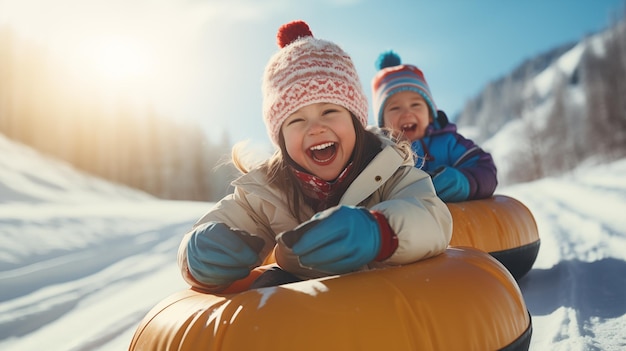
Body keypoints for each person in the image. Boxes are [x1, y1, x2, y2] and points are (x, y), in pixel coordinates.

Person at [177, 21, 452, 293]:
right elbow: (225, 222)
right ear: (281, 139)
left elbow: (431, 216)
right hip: (310, 325)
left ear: (356, 120)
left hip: (383, 309)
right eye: (296, 120)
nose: (315, 128)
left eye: (329, 111)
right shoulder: (266, 195)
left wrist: (379, 232)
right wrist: (197, 255)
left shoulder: (389, 171)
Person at [371, 51, 497, 202]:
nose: (407, 113)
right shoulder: (378, 156)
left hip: (458, 219)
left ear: (430, 115)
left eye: (415, 105)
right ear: (382, 123)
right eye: (395, 108)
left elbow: (486, 170)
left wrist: (463, 182)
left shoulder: (448, 142)